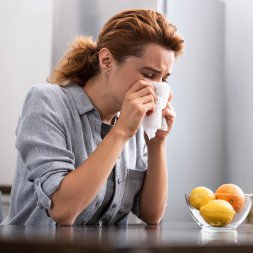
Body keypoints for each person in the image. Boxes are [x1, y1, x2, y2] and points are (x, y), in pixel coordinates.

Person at [3, 9, 184, 225]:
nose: (157, 87)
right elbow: (63, 210)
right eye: (148, 74)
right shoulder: (46, 102)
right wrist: (121, 132)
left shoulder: (134, 118)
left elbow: (152, 214)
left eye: (164, 78)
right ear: (107, 60)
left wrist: (157, 142)